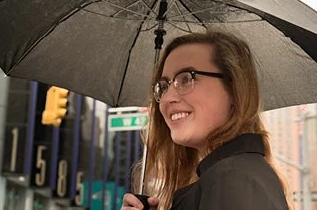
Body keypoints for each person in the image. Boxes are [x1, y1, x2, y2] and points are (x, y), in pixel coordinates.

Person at [122, 30, 292, 210]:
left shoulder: (233, 179)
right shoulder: (226, 176)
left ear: (234, 90)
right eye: (163, 86)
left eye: (186, 79)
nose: (166, 98)